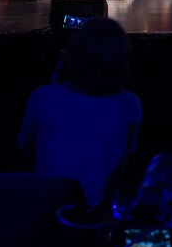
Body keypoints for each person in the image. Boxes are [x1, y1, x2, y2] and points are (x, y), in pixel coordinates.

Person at [18, 17, 142, 209]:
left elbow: (25, 148)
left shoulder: (42, 96)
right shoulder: (129, 104)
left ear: (74, 55)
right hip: (96, 216)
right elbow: (128, 156)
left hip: (45, 213)